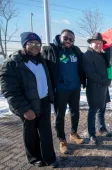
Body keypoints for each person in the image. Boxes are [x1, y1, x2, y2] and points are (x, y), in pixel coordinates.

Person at [0, 32, 57, 167]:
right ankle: (34, 157)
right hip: (27, 104)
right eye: (31, 44)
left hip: (43, 101)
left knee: (46, 131)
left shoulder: (41, 59)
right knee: (30, 133)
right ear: (24, 45)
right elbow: (9, 90)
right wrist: (24, 109)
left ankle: (49, 158)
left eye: (38, 44)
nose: (35, 47)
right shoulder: (12, 63)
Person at [42, 29, 86, 154]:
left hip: (75, 88)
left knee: (75, 113)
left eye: (71, 39)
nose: (68, 41)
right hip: (60, 90)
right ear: (60, 37)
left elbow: (85, 61)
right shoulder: (51, 50)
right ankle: (62, 140)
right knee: (59, 116)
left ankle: (74, 134)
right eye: (65, 38)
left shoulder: (76, 51)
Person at [83, 32, 112, 145]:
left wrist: (106, 53)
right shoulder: (87, 55)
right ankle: (91, 134)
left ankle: (102, 128)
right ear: (91, 44)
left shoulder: (101, 54)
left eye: (100, 43)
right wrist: (106, 81)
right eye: (96, 43)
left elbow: (108, 64)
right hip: (94, 88)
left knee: (102, 109)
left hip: (104, 87)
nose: (98, 45)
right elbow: (91, 74)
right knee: (93, 111)